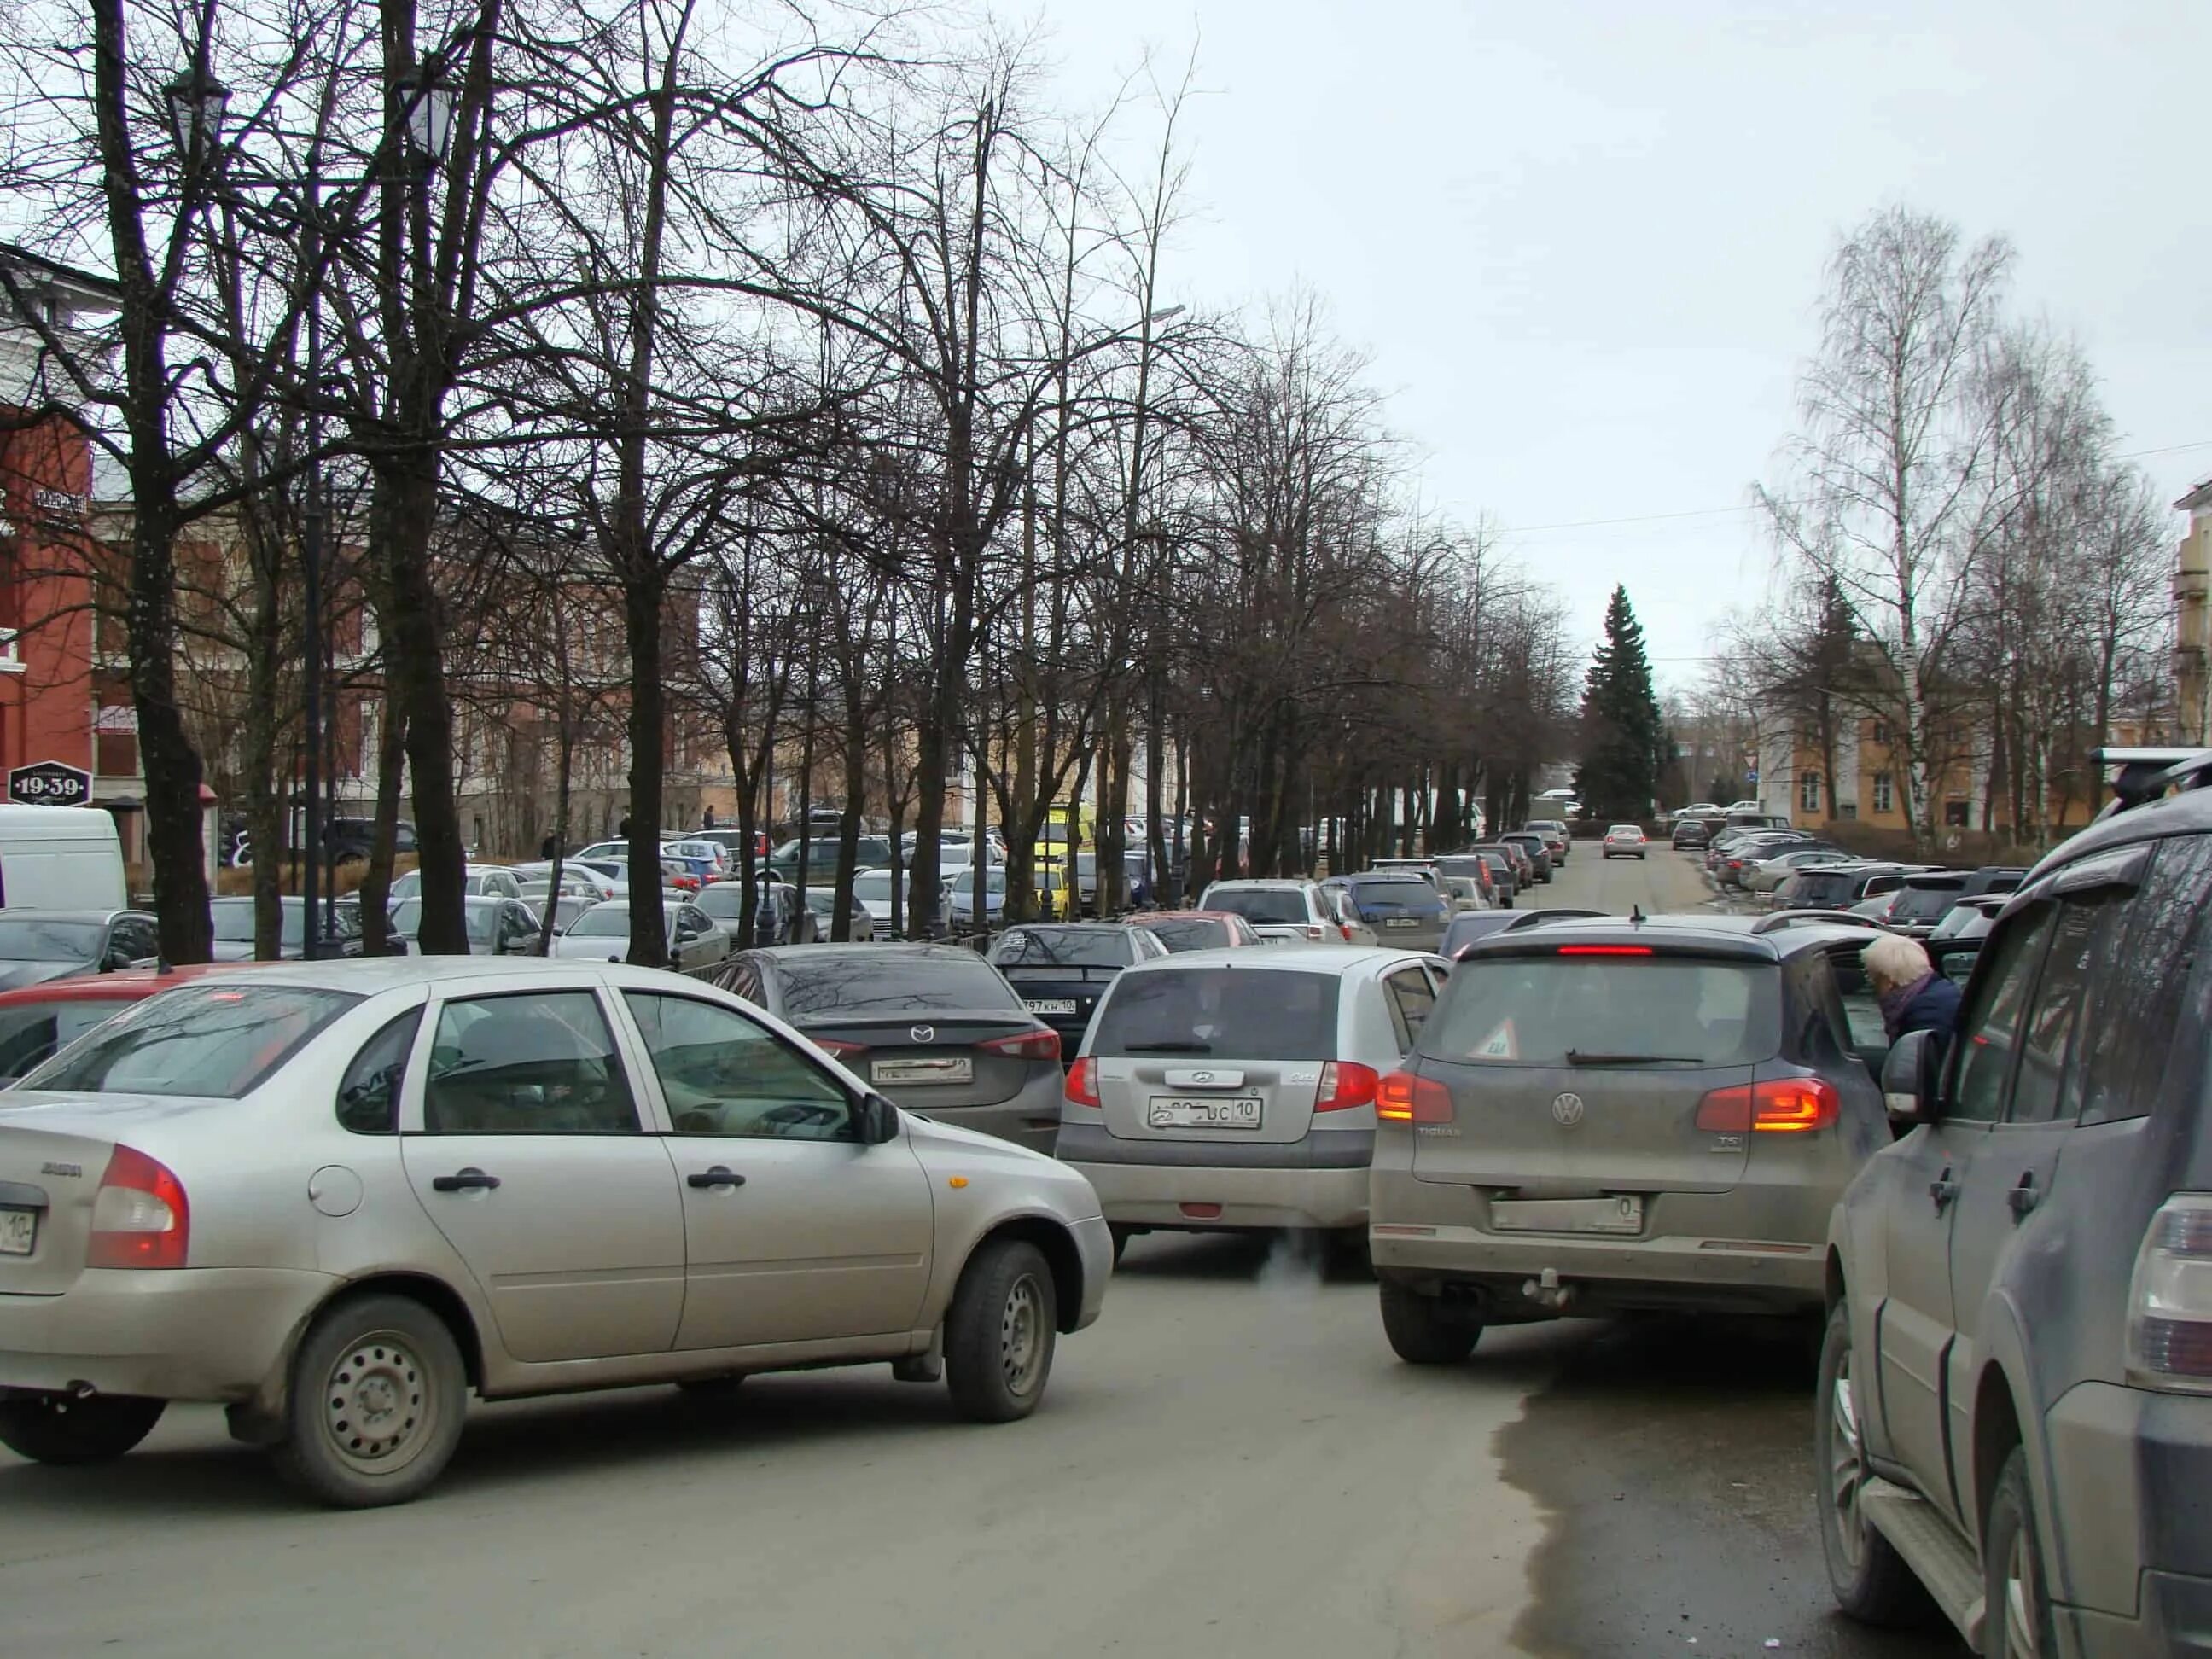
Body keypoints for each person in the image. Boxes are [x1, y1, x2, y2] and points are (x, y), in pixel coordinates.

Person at [1863, 934, 1962, 1042]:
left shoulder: (1925, 1013)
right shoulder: (1936, 990)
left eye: (1872, 976)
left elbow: (1918, 1057)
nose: (1871, 982)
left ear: (1889, 981)